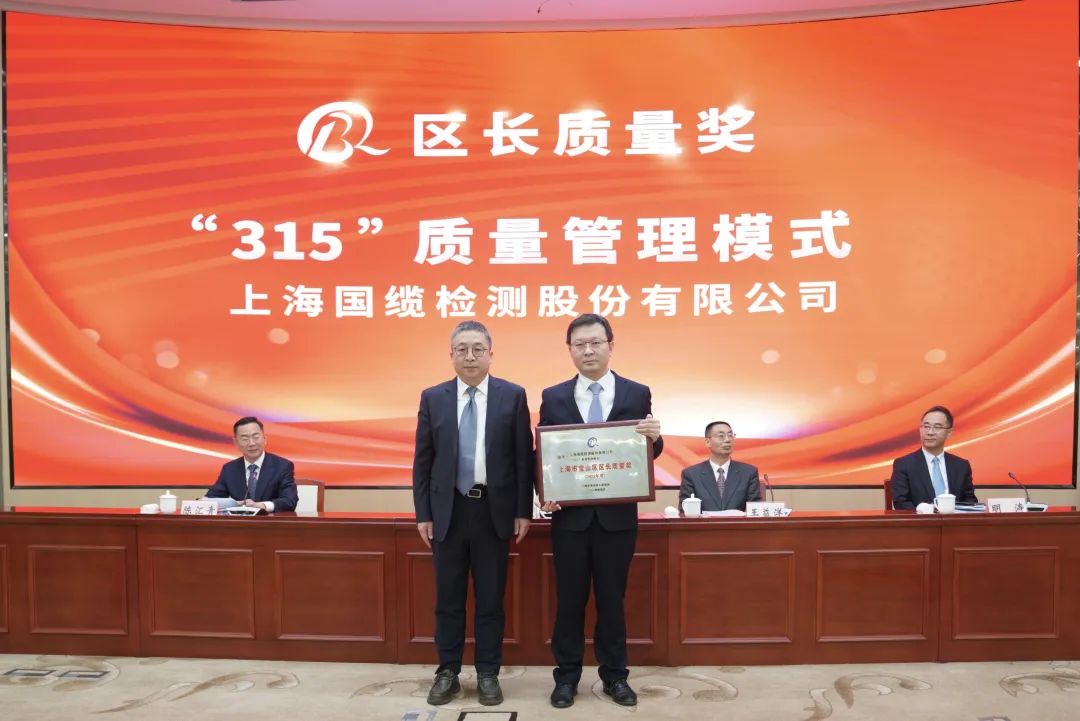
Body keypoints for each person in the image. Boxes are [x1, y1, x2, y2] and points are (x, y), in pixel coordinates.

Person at [539, 313, 662, 709]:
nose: (588, 350)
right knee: (569, 601)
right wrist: (545, 491)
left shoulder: (636, 392)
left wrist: (656, 438)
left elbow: (644, 452)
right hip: (570, 520)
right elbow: (544, 452)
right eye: (580, 344)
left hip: (617, 519)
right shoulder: (554, 396)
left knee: (612, 601)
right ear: (570, 350)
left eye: (595, 342)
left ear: (611, 345)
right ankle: (566, 677)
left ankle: (615, 677)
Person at [412, 321, 534, 707]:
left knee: (490, 600)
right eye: (462, 349)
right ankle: (447, 672)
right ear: (451, 354)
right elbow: (423, 460)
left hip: (493, 511)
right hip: (447, 510)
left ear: (490, 354)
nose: (470, 356)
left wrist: (523, 510)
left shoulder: (512, 396)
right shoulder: (433, 397)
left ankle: (487, 673)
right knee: (448, 599)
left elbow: (523, 458)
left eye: (478, 349)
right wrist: (423, 513)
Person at [890, 405, 977, 509]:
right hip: (921, 519)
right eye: (926, 426)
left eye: (937, 427)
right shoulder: (904, 465)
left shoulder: (961, 466)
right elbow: (901, 503)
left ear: (949, 433)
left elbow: (970, 501)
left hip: (953, 519)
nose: (930, 432)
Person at [204, 416, 298, 512]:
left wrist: (263, 506)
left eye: (256, 437)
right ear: (236, 442)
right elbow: (211, 499)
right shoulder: (229, 469)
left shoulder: (282, 466)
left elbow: (290, 501)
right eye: (245, 439)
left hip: (269, 520)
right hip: (239, 521)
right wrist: (235, 504)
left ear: (264, 439)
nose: (251, 443)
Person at [679, 421, 761, 512]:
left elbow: (755, 511)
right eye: (721, 436)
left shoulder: (749, 473)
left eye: (730, 435)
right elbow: (685, 512)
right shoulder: (691, 474)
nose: (727, 440)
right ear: (707, 442)